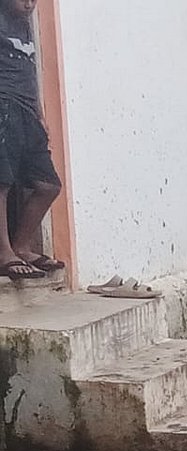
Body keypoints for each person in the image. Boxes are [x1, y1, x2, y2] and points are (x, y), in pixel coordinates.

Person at [0, 0, 63, 281]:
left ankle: (22, 246)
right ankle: (4, 253)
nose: (29, 4)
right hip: (3, 104)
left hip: (27, 111)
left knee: (48, 185)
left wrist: (39, 112)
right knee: (2, 182)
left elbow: (30, 70)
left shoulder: (24, 25)